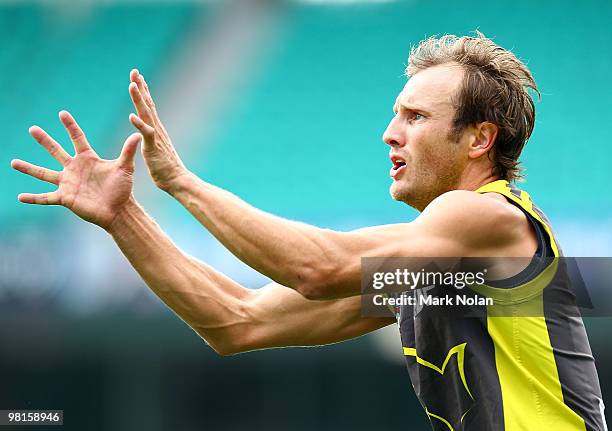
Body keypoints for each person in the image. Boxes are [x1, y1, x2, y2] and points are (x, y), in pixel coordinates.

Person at [11, 33, 606, 430]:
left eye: (417, 117)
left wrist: (182, 184)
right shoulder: (430, 272)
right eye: (396, 114)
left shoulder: (489, 217)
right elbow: (236, 321)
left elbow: (317, 268)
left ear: (480, 139)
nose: (390, 133)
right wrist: (124, 217)